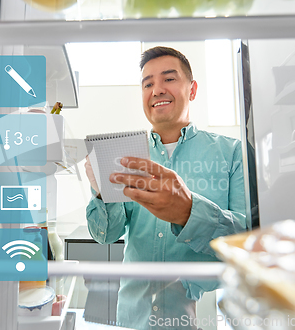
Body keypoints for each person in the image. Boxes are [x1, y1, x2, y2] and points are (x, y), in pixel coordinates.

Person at [85, 46, 247, 329]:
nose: (157, 89)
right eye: (148, 84)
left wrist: (189, 212)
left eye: (169, 79)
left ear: (192, 89)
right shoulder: (127, 156)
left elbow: (247, 239)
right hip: (132, 319)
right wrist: (100, 192)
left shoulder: (233, 153)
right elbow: (106, 235)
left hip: (201, 318)